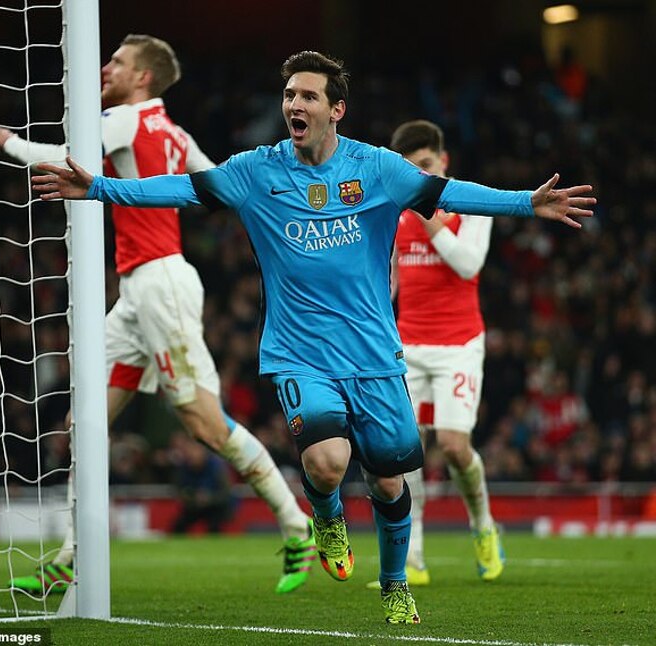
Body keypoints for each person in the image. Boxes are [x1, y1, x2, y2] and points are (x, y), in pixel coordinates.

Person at [30, 51, 595, 624]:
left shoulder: (377, 168)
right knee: (327, 462)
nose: (294, 105)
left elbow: (447, 192)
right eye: (289, 95)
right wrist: (98, 188)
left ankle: (395, 583)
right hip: (300, 354)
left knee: (388, 481)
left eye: (307, 96)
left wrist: (528, 203)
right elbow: (181, 188)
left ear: (336, 109)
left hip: (374, 356)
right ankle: (326, 516)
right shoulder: (257, 171)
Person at [0, 34, 315, 596]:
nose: (106, 68)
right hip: (137, 294)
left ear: (144, 78)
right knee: (84, 421)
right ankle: (71, 556)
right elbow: (222, 187)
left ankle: (295, 522)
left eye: (118, 62)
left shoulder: (126, 119)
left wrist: (8, 140)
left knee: (204, 423)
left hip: (161, 287)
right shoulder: (175, 134)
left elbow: (66, 158)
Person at [365, 119, 502, 590]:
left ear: (443, 161)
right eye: (410, 170)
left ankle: (483, 524)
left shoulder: (471, 203)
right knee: (405, 450)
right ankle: (413, 559)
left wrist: (427, 213)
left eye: (425, 166)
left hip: (459, 345)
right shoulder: (394, 211)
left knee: (454, 446)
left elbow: (468, 263)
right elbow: (389, 277)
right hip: (410, 347)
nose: (418, 177)